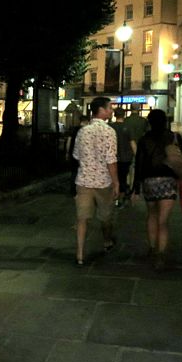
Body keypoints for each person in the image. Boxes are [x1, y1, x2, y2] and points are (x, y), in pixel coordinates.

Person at [72, 97, 119, 266]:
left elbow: (76, 155)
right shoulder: (109, 132)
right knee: (106, 216)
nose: (112, 111)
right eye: (110, 107)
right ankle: (107, 241)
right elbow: (111, 160)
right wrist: (116, 182)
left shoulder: (82, 131)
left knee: (82, 219)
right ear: (102, 110)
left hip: (84, 180)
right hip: (103, 182)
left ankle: (80, 254)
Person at [132, 109, 179, 271]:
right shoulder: (173, 137)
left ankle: (152, 248)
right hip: (168, 181)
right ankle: (161, 255)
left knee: (152, 214)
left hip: (150, 181)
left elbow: (139, 164)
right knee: (163, 221)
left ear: (149, 122)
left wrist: (136, 188)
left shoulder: (144, 140)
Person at [108, 107, 134, 205]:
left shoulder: (110, 127)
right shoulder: (128, 127)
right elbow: (132, 143)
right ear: (124, 115)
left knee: (113, 178)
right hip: (125, 158)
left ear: (115, 115)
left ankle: (113, 197)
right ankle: (120, 199)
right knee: (122, 178)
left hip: (112, 157)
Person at [67, 115, 89, 195]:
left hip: (73, 153)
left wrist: (67, 152)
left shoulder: (74, 129)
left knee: (74, 172)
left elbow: (69, 141)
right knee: (81, 172)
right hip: (82, 154)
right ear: (86, 121)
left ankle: (72, 190)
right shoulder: (85, 131)